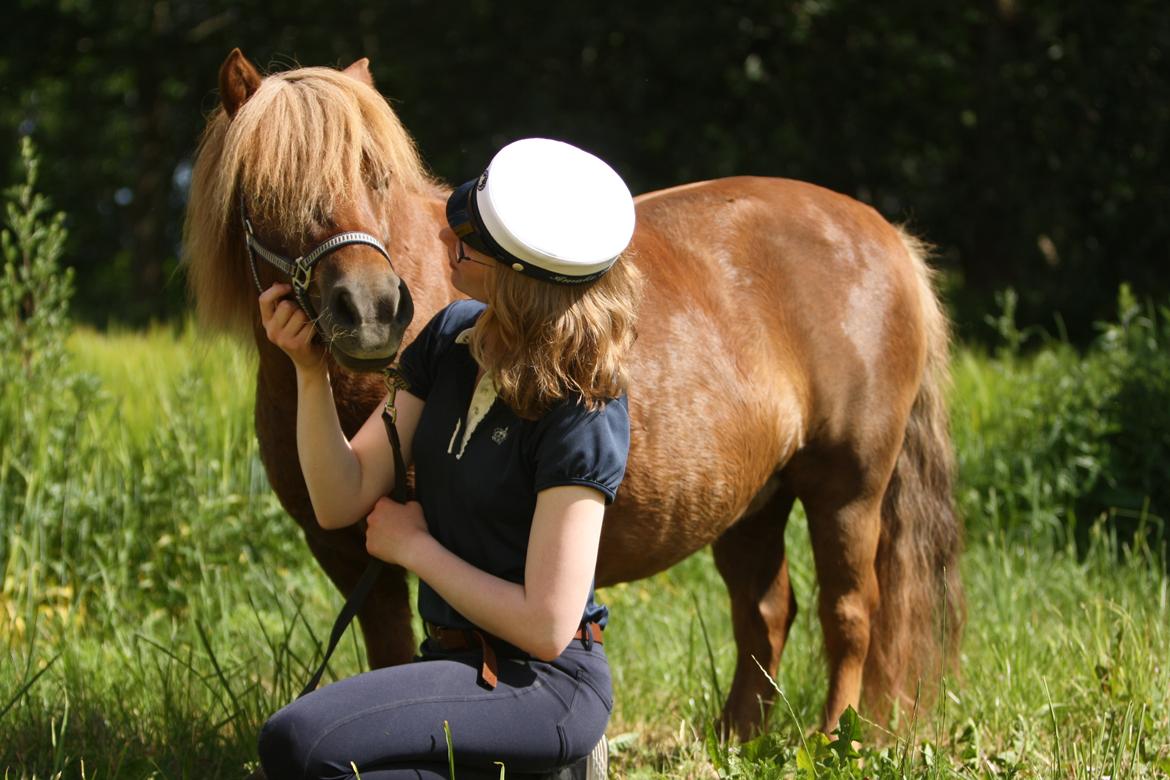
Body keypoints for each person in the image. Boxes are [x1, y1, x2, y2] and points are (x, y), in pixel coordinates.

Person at [255, 138, 642, 779]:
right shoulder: (450, 338)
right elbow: (339, 497)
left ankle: (568, 762)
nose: (442, 239)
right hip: (455, 665)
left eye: (466, 238)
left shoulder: (584, 409)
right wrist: (307, 371)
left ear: (520, 277)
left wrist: (416, 549)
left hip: (546, 684)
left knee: (294, 740)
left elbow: (547, 625)